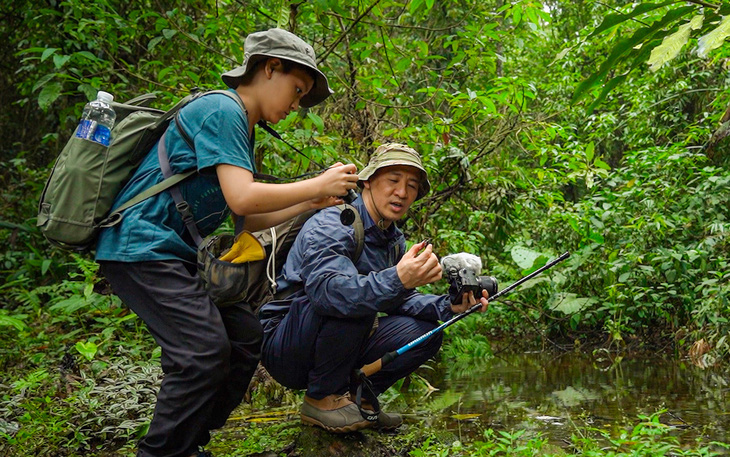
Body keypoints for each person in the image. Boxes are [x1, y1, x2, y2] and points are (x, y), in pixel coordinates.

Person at [95, 28, 359, 457]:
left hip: (172, 252)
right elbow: (243, 195)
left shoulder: (241, 125)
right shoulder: (223, 109)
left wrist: (311, 200)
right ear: (269, 68)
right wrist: (316, 181)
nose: (295, 105)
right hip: (139, 246)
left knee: (244, 337)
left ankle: (188, 443)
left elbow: (247, 218)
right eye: (296, 90)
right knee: (201, 352)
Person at [259, 143, 489, 433]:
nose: (402, 193)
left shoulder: (393, 240)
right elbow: (328, 293)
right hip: (287, 343)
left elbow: (398, 300)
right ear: (367, 182)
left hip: (333, 332)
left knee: (427, 333)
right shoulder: (334, 222)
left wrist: (448, 306)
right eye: (393, 181)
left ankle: (359, 400)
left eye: (412, 186)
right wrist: (398, 278)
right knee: (358, 300)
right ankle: (320, 400)